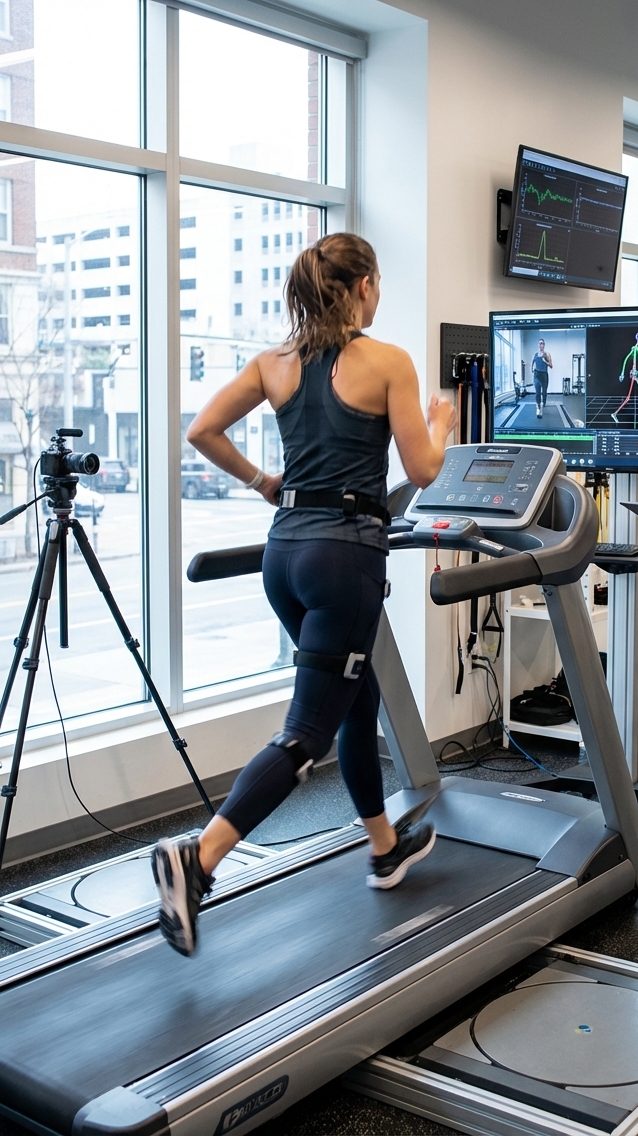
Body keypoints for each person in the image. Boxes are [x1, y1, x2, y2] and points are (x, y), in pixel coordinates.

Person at [152, 233, 457, 956]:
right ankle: (197, 861)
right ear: (360, 289)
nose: (377, 296)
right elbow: (421, 469)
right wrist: (440, 425)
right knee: (307, 732)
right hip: (344, 560)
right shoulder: (386, 362)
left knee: (358, 696)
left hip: (284, 555)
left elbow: (202, 430)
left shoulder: (274, 363)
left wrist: (266, 483)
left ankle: (385, 847)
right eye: (376, 284)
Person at [531, 338, 552, 418]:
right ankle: (538, 408)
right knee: (537, 392)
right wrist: (532, 370)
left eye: (542, 343)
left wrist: (545, 361)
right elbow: (532, 364)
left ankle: (544, 402)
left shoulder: (547, 354)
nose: (541, 345)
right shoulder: (535, 355)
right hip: (537, 374)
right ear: (538, 345)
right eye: (539, 343)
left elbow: (551, 366)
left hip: (544, 375)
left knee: (544, 392)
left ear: (544, 345)